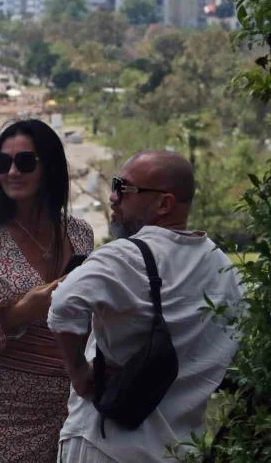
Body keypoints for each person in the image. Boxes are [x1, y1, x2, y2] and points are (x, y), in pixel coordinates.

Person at [48, 150, 242, 462]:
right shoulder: (222, 267)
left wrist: (79, 372)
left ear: (165, 204)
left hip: (104, 443)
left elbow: (62, 304)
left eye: (124, 188)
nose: (113, 197)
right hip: (178, 449)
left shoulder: (124, 256)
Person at [0, 119, 94, 462]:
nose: (12, 172)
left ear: (48, 167)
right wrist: (20, 312)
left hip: (69, 410)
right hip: (1, 416)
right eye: (2, 163)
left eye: (24, 162)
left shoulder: (80, 234)